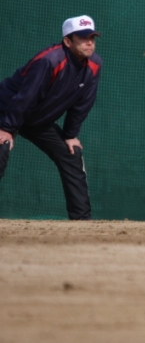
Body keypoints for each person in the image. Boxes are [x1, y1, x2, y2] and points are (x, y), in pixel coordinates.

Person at [0, 15, 103, 220]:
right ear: (67, 41)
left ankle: (82, 222)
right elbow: (26, 97)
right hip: (7, 110)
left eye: (92, 38)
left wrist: (70, 135)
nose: (89, 42)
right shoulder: (50, 61)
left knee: (71, 153)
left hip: (37, 120)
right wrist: (6, 129)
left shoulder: (94, 64)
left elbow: (83, 103)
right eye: (82, 38)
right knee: (1, 146)